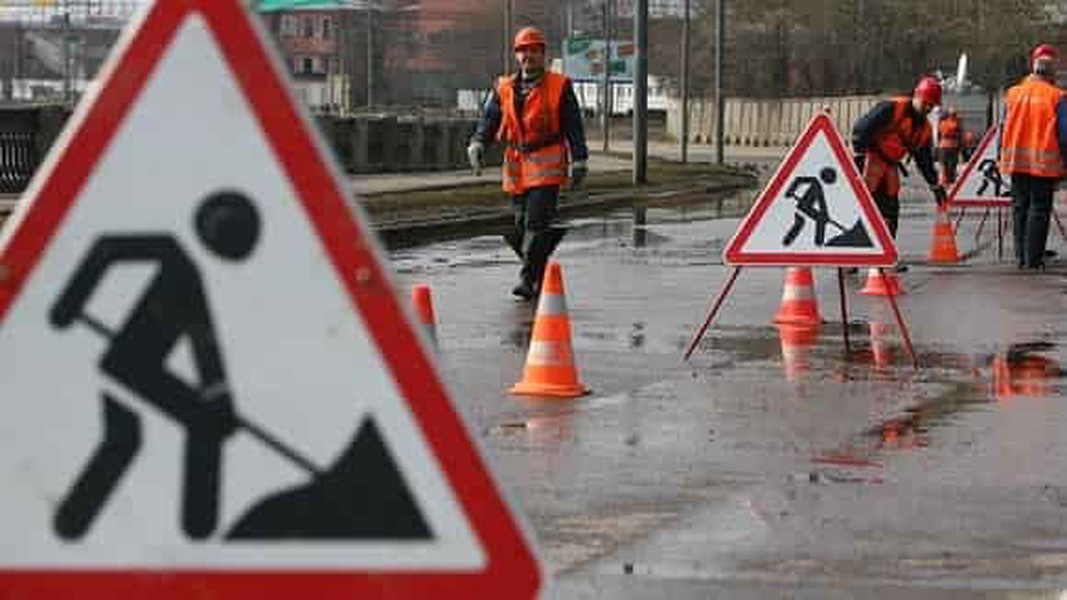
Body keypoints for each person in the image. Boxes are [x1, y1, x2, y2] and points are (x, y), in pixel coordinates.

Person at [467, 26, 589, 300]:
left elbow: (574, 125)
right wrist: (477, 142)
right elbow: (490, 120)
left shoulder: (560, 86)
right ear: (516, 56)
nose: (527, 56)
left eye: (533, 51)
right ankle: (540, 266)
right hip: (516, 164)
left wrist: (580, 159)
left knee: (535, 221)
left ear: (542, 54)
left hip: (546, 162)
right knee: (521, 224)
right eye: (522, 51)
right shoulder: (504, 87)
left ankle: (526, 280)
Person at [852, 76, 947, 271]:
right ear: (916, 96)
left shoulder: (924, 130)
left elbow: (925, 161)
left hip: (889, 166)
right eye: (926, 102)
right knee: (863, 211)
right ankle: (853, 259)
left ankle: (886, 257)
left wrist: (935, 186)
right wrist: (860, 160)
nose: (928, 108)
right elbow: (860, 130)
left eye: (932, 105)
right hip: (871, 161)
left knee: (891, 212)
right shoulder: (891, 108)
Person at [998, 43, 1067, 270]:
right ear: (1052, 69)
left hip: (1015, 160)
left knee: (1020, 207)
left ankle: (1020, 256)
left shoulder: (1013, 93)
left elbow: (1003, 127)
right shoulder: (1057, 96)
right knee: (1039, 208)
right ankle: (1033, 258)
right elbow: (1065, 135)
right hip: (1043, 163)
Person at [937, 107, 963, 185]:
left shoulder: (942, 122)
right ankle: (949, 181)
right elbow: (959, 135)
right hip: (952, 146)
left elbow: (939, 135)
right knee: (951, 165)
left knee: (945, 166)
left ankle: (945, 182)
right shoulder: (956, 122)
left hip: (944, 146)